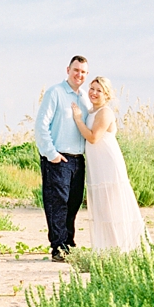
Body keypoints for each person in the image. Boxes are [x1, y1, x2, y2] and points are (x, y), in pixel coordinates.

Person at [71, 76, 148, 253]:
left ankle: (122, 248)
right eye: (92, 88)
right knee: (102, 208)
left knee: (112, 206)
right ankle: (107, 248)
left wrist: (78, 120)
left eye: (99, 90)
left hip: (108, 164)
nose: (94, 93)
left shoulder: (105, 112)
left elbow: (93, 137)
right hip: (96, 164)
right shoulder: (90, 111)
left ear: (106, 95)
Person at [34, 55, 90, 262]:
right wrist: (52, 154)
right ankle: (58, 247)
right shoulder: (55, 93)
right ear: (68, 70)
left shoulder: (84, 97)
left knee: (73, 203)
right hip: (58, 159)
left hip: (78, 159)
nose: (79, 75)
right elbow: (41, 126)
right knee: (57, 203)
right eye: (76, 70)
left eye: (83, 72)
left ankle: (69, 243)